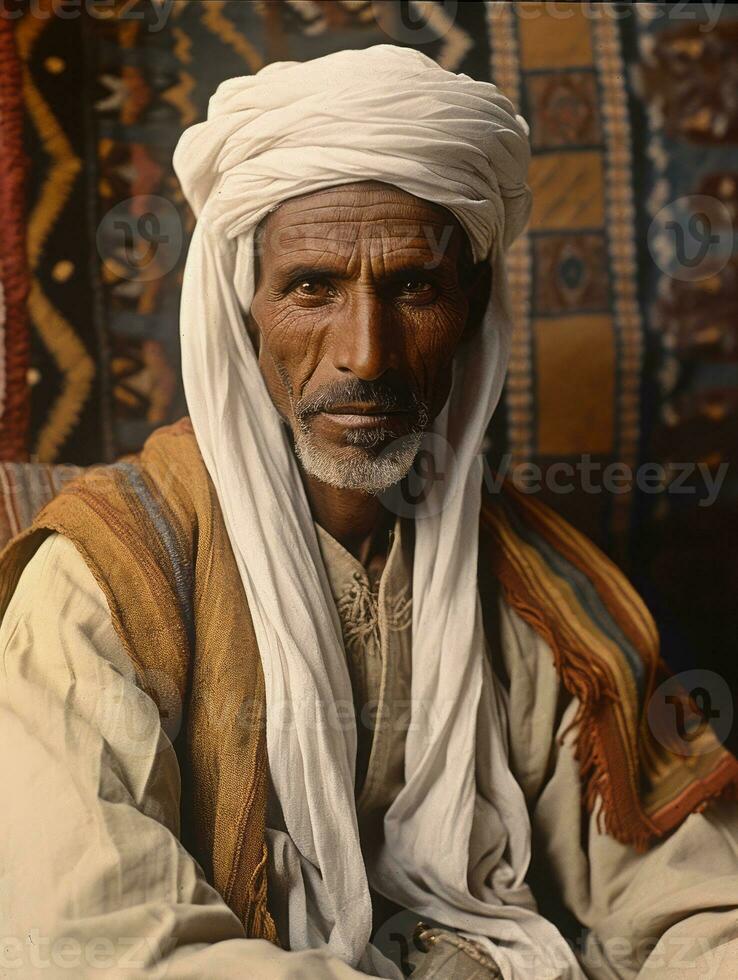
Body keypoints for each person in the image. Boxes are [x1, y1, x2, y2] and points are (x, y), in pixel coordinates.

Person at [0, 45, 737, 980]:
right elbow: (94, 942)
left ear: (470, 310)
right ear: (246, 308)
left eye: (413, 288)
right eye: (311, 286)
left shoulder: (535, 589)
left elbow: (693, 900)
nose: (366, 353)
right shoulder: (106, 583)